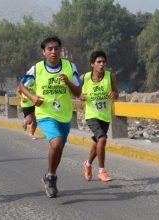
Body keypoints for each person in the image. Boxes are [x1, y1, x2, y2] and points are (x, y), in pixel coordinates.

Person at [19, 36, 81, 198]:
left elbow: (79, 93)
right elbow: (21, 87)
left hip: (64, 115)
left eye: (56, 48)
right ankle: (52, 178)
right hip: (45, 114)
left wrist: (68, 82)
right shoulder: (37, 68)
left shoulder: (69, 66)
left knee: (59, 148)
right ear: (44, 52)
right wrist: (32, 99)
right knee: (56, 143)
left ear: (61, 51)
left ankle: (49, 175)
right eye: (50, 49)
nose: (53, 52)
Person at [79, 50, 118, 182]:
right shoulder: (84, 77)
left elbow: (116, 92)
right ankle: (102, 171)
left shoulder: (110, 76)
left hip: (105, 115)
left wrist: (114, 94)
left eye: (103, 62)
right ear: (92, 64)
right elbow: (75, 89)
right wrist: (79, 95)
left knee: (97, 144)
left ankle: (87, 164)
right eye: (98, 62)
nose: (102, 64)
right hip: (91, 115)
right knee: (102, 139)